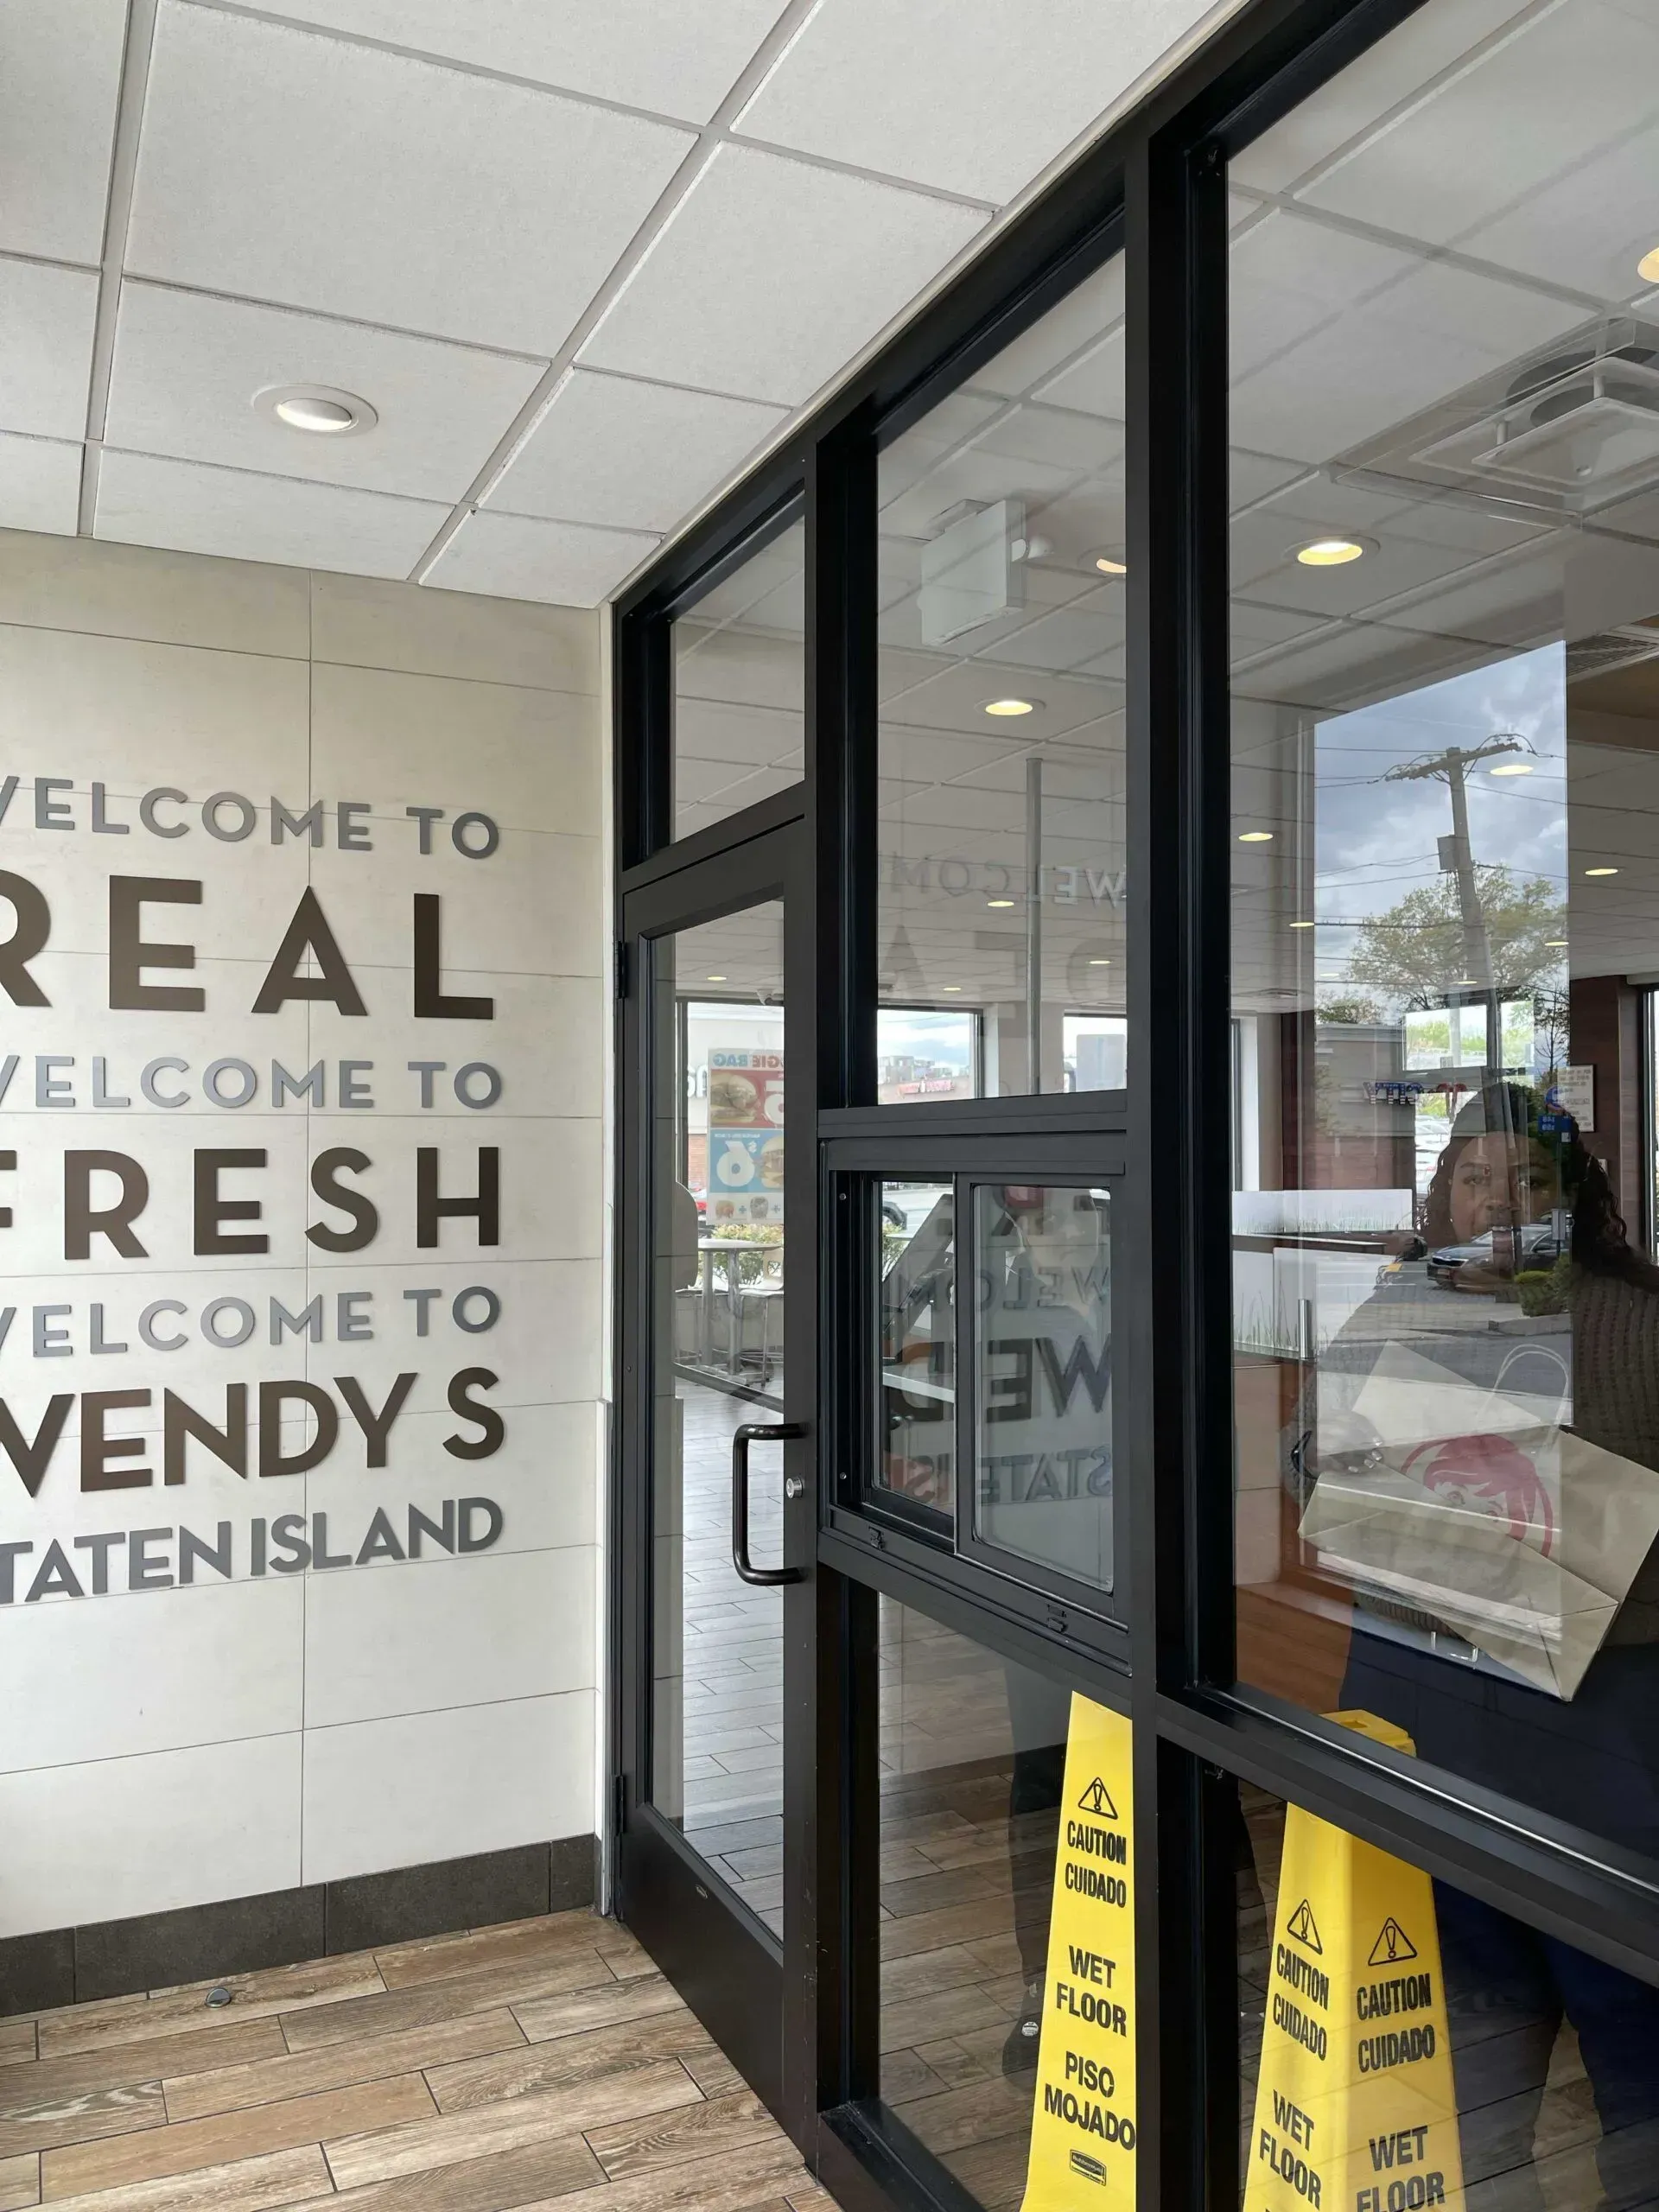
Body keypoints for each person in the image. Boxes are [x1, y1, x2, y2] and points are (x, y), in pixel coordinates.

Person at [1288, 1082, 1659, 2206]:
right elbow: (1305, 1462)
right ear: (1444, 1193)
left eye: (1531, 1180)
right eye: (1477, 1178)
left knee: (1630, 2021)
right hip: (1431, 1705)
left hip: (1603, 1722)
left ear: (1573, 1196)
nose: (1502, 1202)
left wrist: (1564, 1530)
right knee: (1459, 2027)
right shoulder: (1402, 1305)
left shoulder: (1636, 1318)